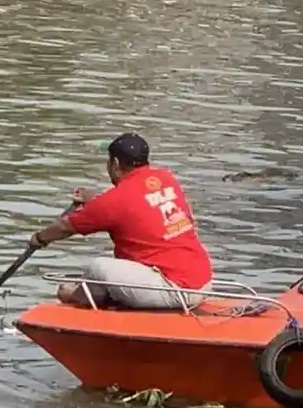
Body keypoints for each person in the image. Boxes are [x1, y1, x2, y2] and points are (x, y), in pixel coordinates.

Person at [29, 133, 214, 310]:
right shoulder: (166, 178)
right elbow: (137, 204)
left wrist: (39, 238)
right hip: (203, 281)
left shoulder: (114, 201)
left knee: (98, 268)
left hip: (173, 288)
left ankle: (74, 295)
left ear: (115, 163)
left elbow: (65, 226)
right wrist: (95, 201)